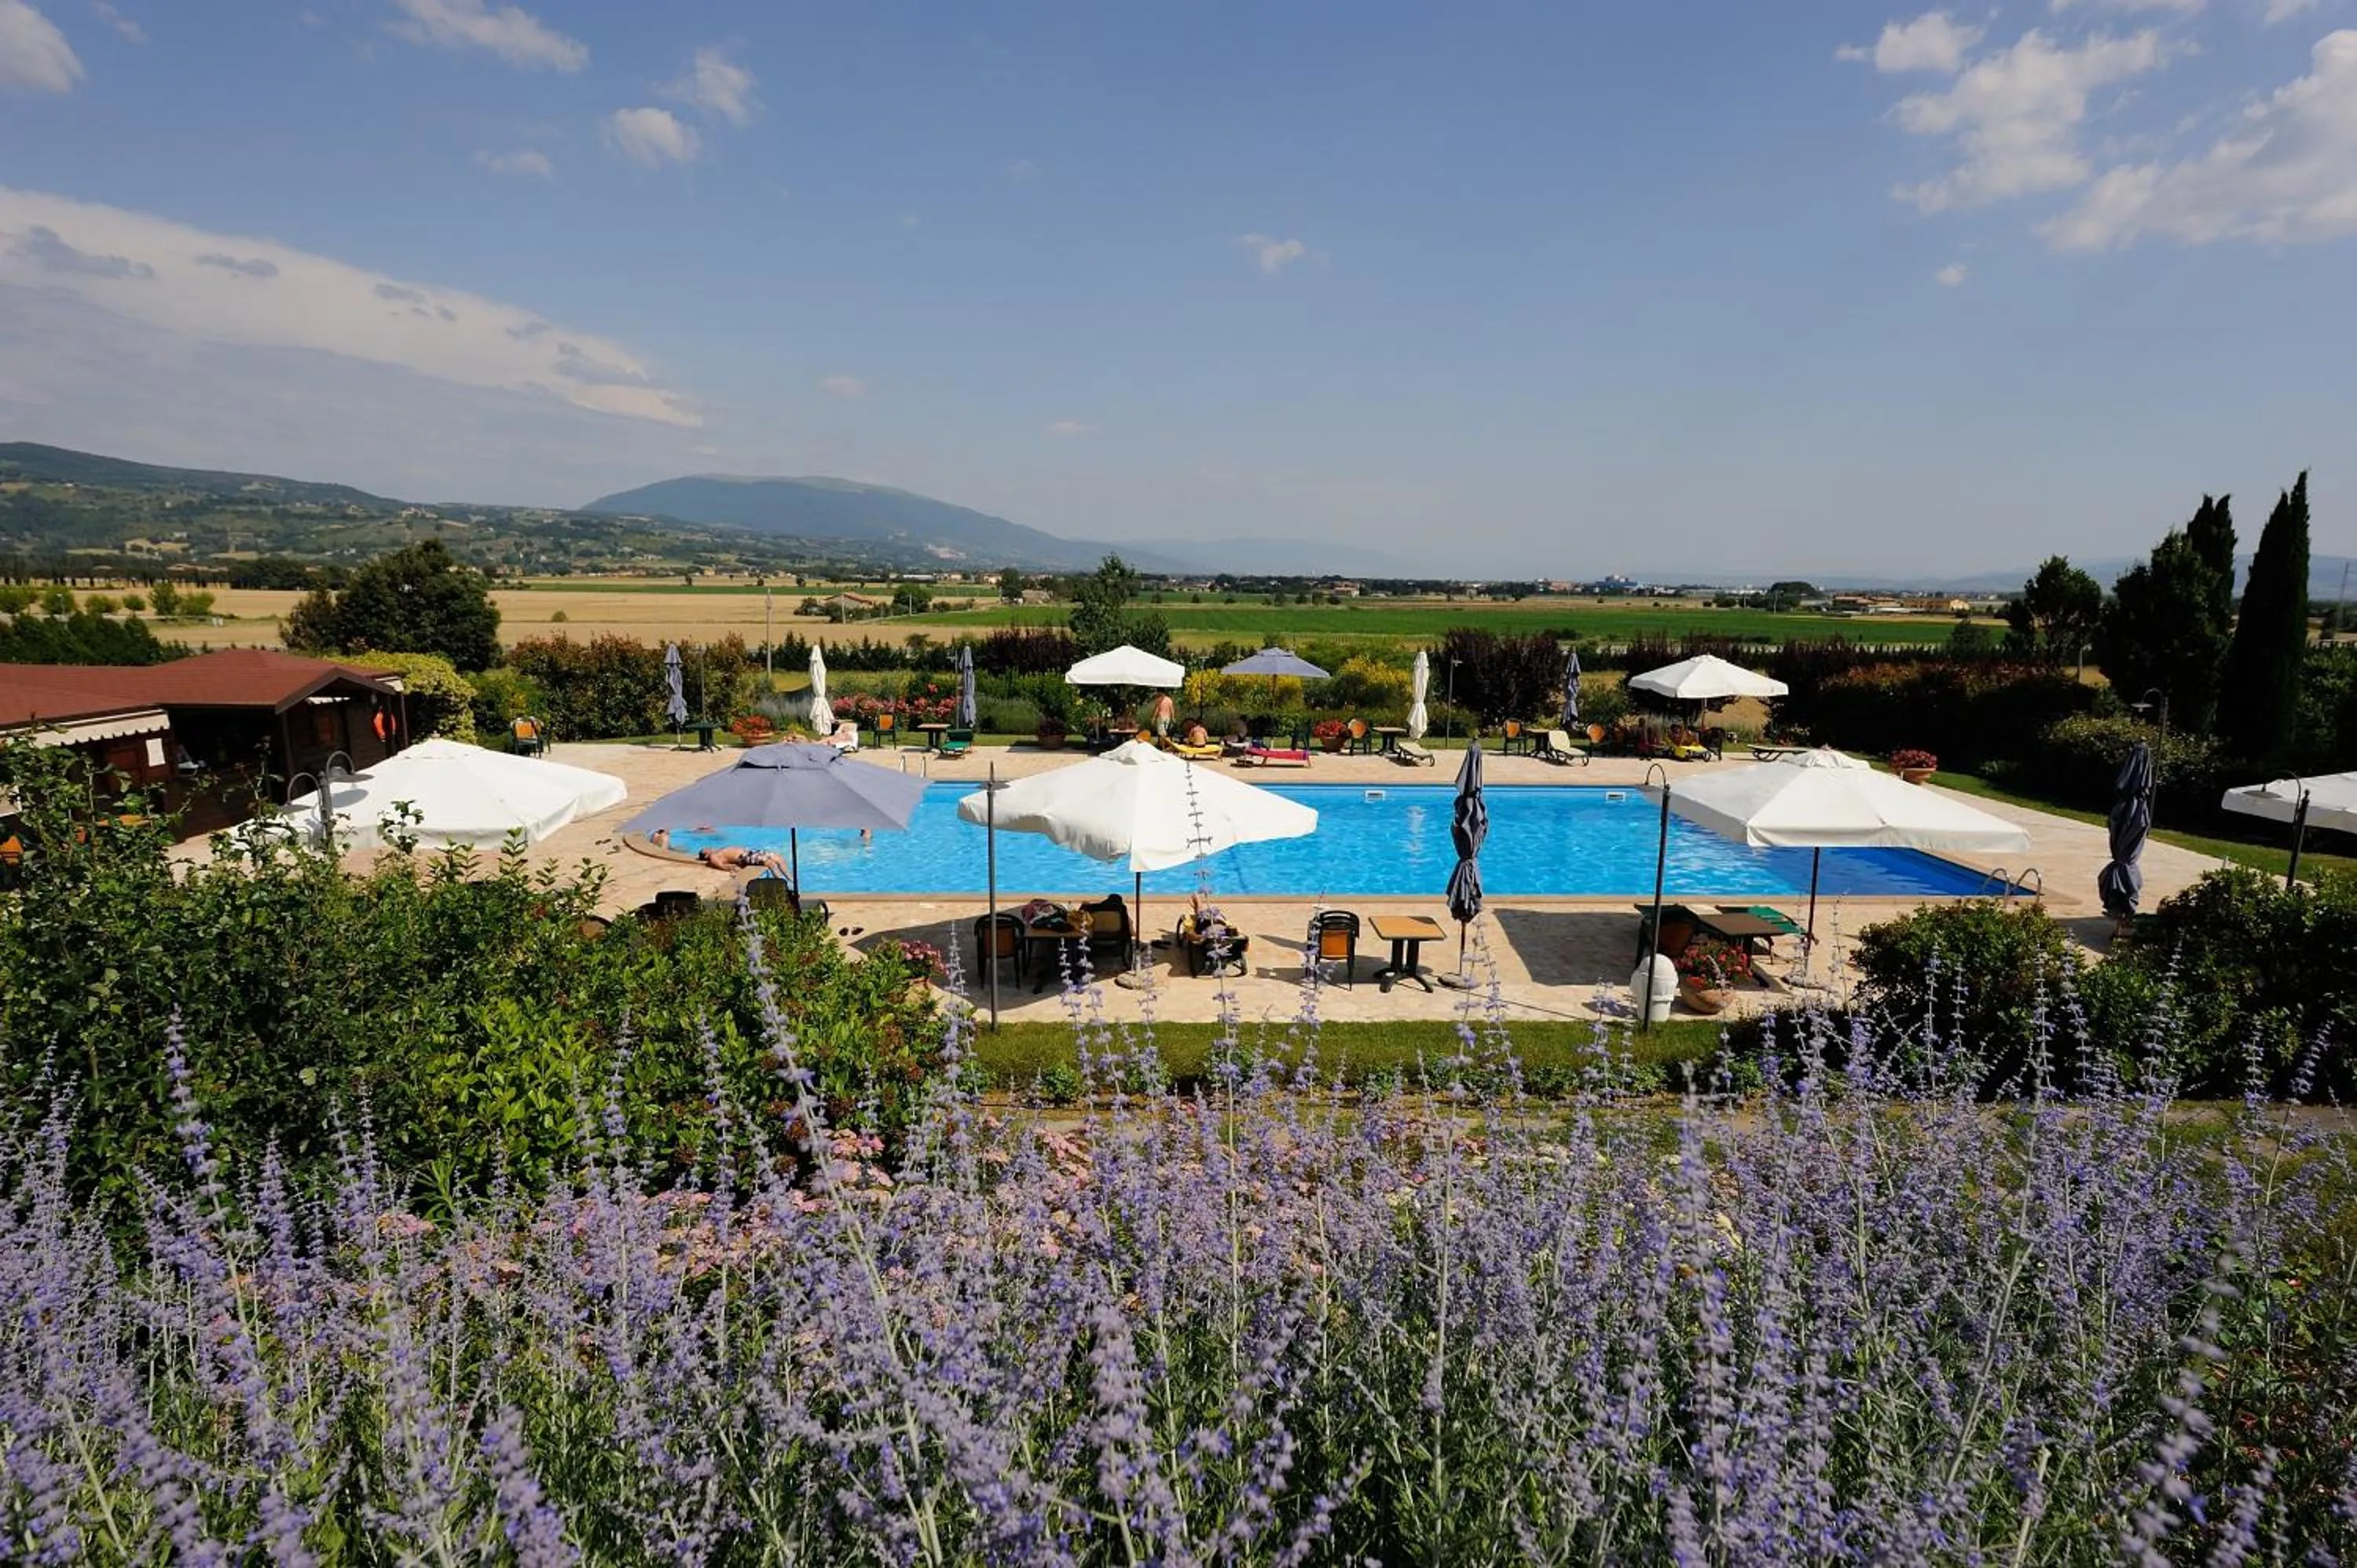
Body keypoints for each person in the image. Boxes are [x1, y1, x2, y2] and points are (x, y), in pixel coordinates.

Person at [698, 844, 789, 874]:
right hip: (745, 857)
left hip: (749, 852)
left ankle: (791, 879)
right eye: (705, 849)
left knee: (779, 858)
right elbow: (722, 866)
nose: (708, 848)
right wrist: (733, 868)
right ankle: (781, 881)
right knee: (771, 863)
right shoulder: (713, 857)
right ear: (706, 855)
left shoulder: (716, 852)